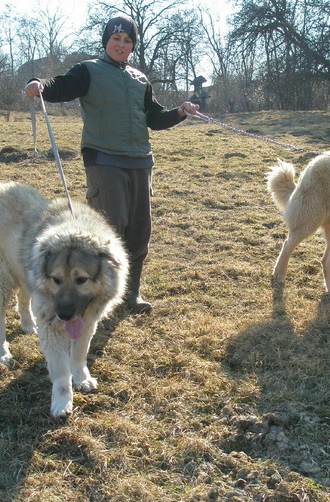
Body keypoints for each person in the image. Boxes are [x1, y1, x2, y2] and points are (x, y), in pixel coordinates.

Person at [24, 14, 199, 314]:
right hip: (103, 159)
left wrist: (180, 112)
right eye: (116, 39)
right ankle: (99, 291)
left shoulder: (140, 79)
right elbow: (61, 86)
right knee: (111, 225)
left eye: (127, 40)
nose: (121, 44)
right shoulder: (88, 70)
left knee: (139, 230)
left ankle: (131, 294)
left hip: (140, 161)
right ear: (106, 41)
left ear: (132, 45)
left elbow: (154, 118)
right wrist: (39, 85)